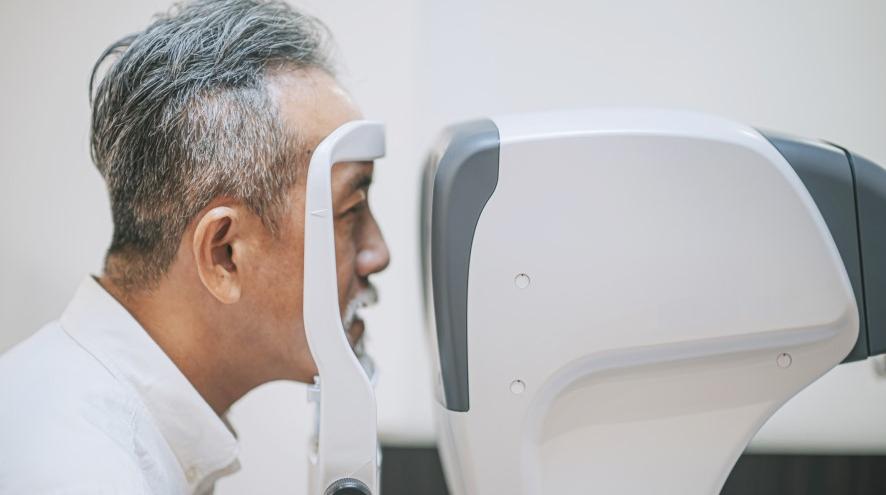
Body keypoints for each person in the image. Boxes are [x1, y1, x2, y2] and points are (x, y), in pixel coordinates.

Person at [0, 0, 390, 493]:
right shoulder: (80, 473)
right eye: (350, 212)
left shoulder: (110, 431)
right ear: (224, 255)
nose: (378, 252)